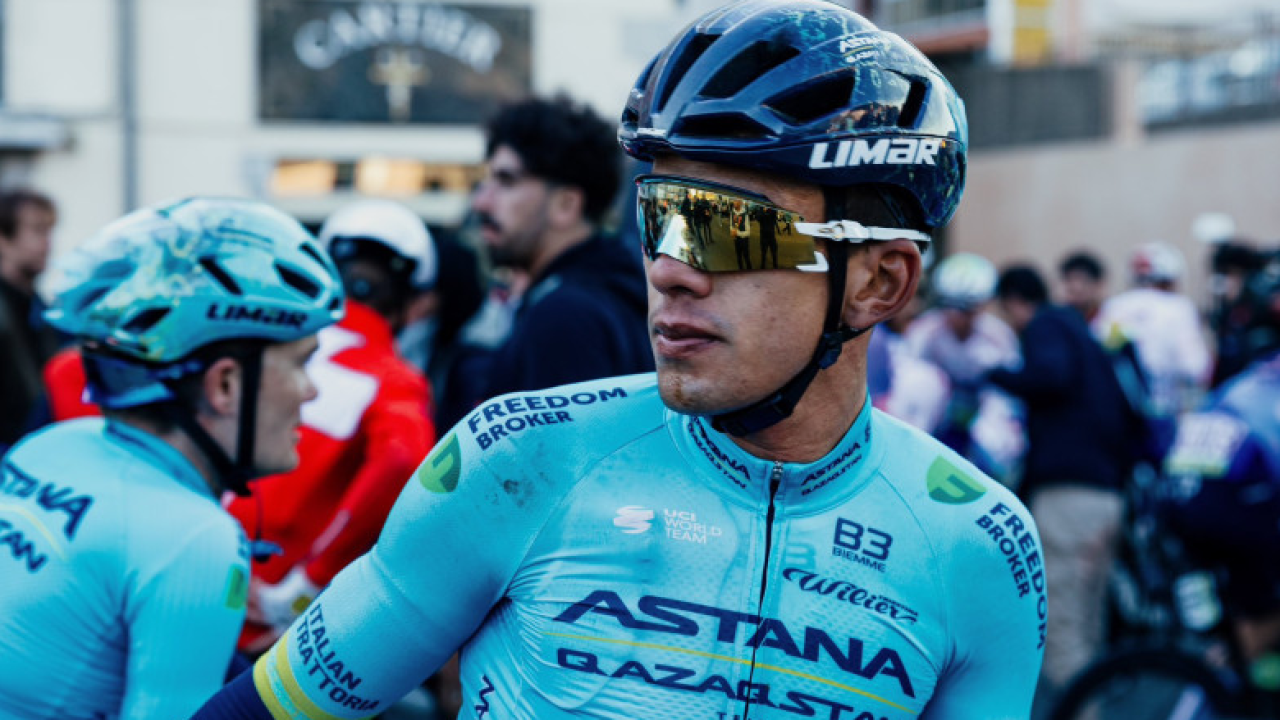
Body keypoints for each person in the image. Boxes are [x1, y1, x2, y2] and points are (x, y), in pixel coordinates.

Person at [194, 3, 1044, 718]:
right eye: (658, 216)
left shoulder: (979, 548)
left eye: (725, 227)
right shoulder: (520, 459)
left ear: (879, 282)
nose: (670, 268)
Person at [0, 198, 344, 719]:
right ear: (224, 384)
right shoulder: (196, 540)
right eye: (300, 363)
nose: (311, 392)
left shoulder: (52, 445)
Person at [228, 198, 438, 654]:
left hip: (194, 591)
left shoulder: (260, 346)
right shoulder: (393, 378)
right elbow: (404, 461)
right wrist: (306, 586)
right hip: (271, 635)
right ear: (415, 304)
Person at [986, 265, 1139, 716]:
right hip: (1106, 495)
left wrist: (996, 375)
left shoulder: (1047, 325)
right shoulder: (1084, 335)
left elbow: (1051, 375)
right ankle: (1093, 707)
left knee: (1063, 625)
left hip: (1069, 495)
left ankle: (1084, 713)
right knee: (1089, 621)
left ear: (1015, 302)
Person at [471, 94, 653, 399]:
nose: (481, 202)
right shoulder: (605, 297)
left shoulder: (565, 316)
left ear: (566, 205)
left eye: (506, 181)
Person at [904, 252, 1024, 479]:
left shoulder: (999, 336)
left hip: (982, 411)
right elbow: (908, 383)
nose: (958, 315)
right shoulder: (924, 331)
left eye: (967, 308)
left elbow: (1010, 395)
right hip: (938, 414)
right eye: (951, 305)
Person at [1093, 241, 1211, 423]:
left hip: (1117, 415)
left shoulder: (1115, 307)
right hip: (1164, 412)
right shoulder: (1179, 308)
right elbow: (1195, 368)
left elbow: (1100, 355)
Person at [0, 189, 62, 451]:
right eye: (37, 231)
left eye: (49, 231)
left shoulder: (45, 312)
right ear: (3, 239)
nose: (47, 244)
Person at [1057, 250, 1107, 323]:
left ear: (1099, 285)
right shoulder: (1057, 320)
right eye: (1070, 280)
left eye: (1084, 281)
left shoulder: (1112, 317)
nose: (1077, 288)